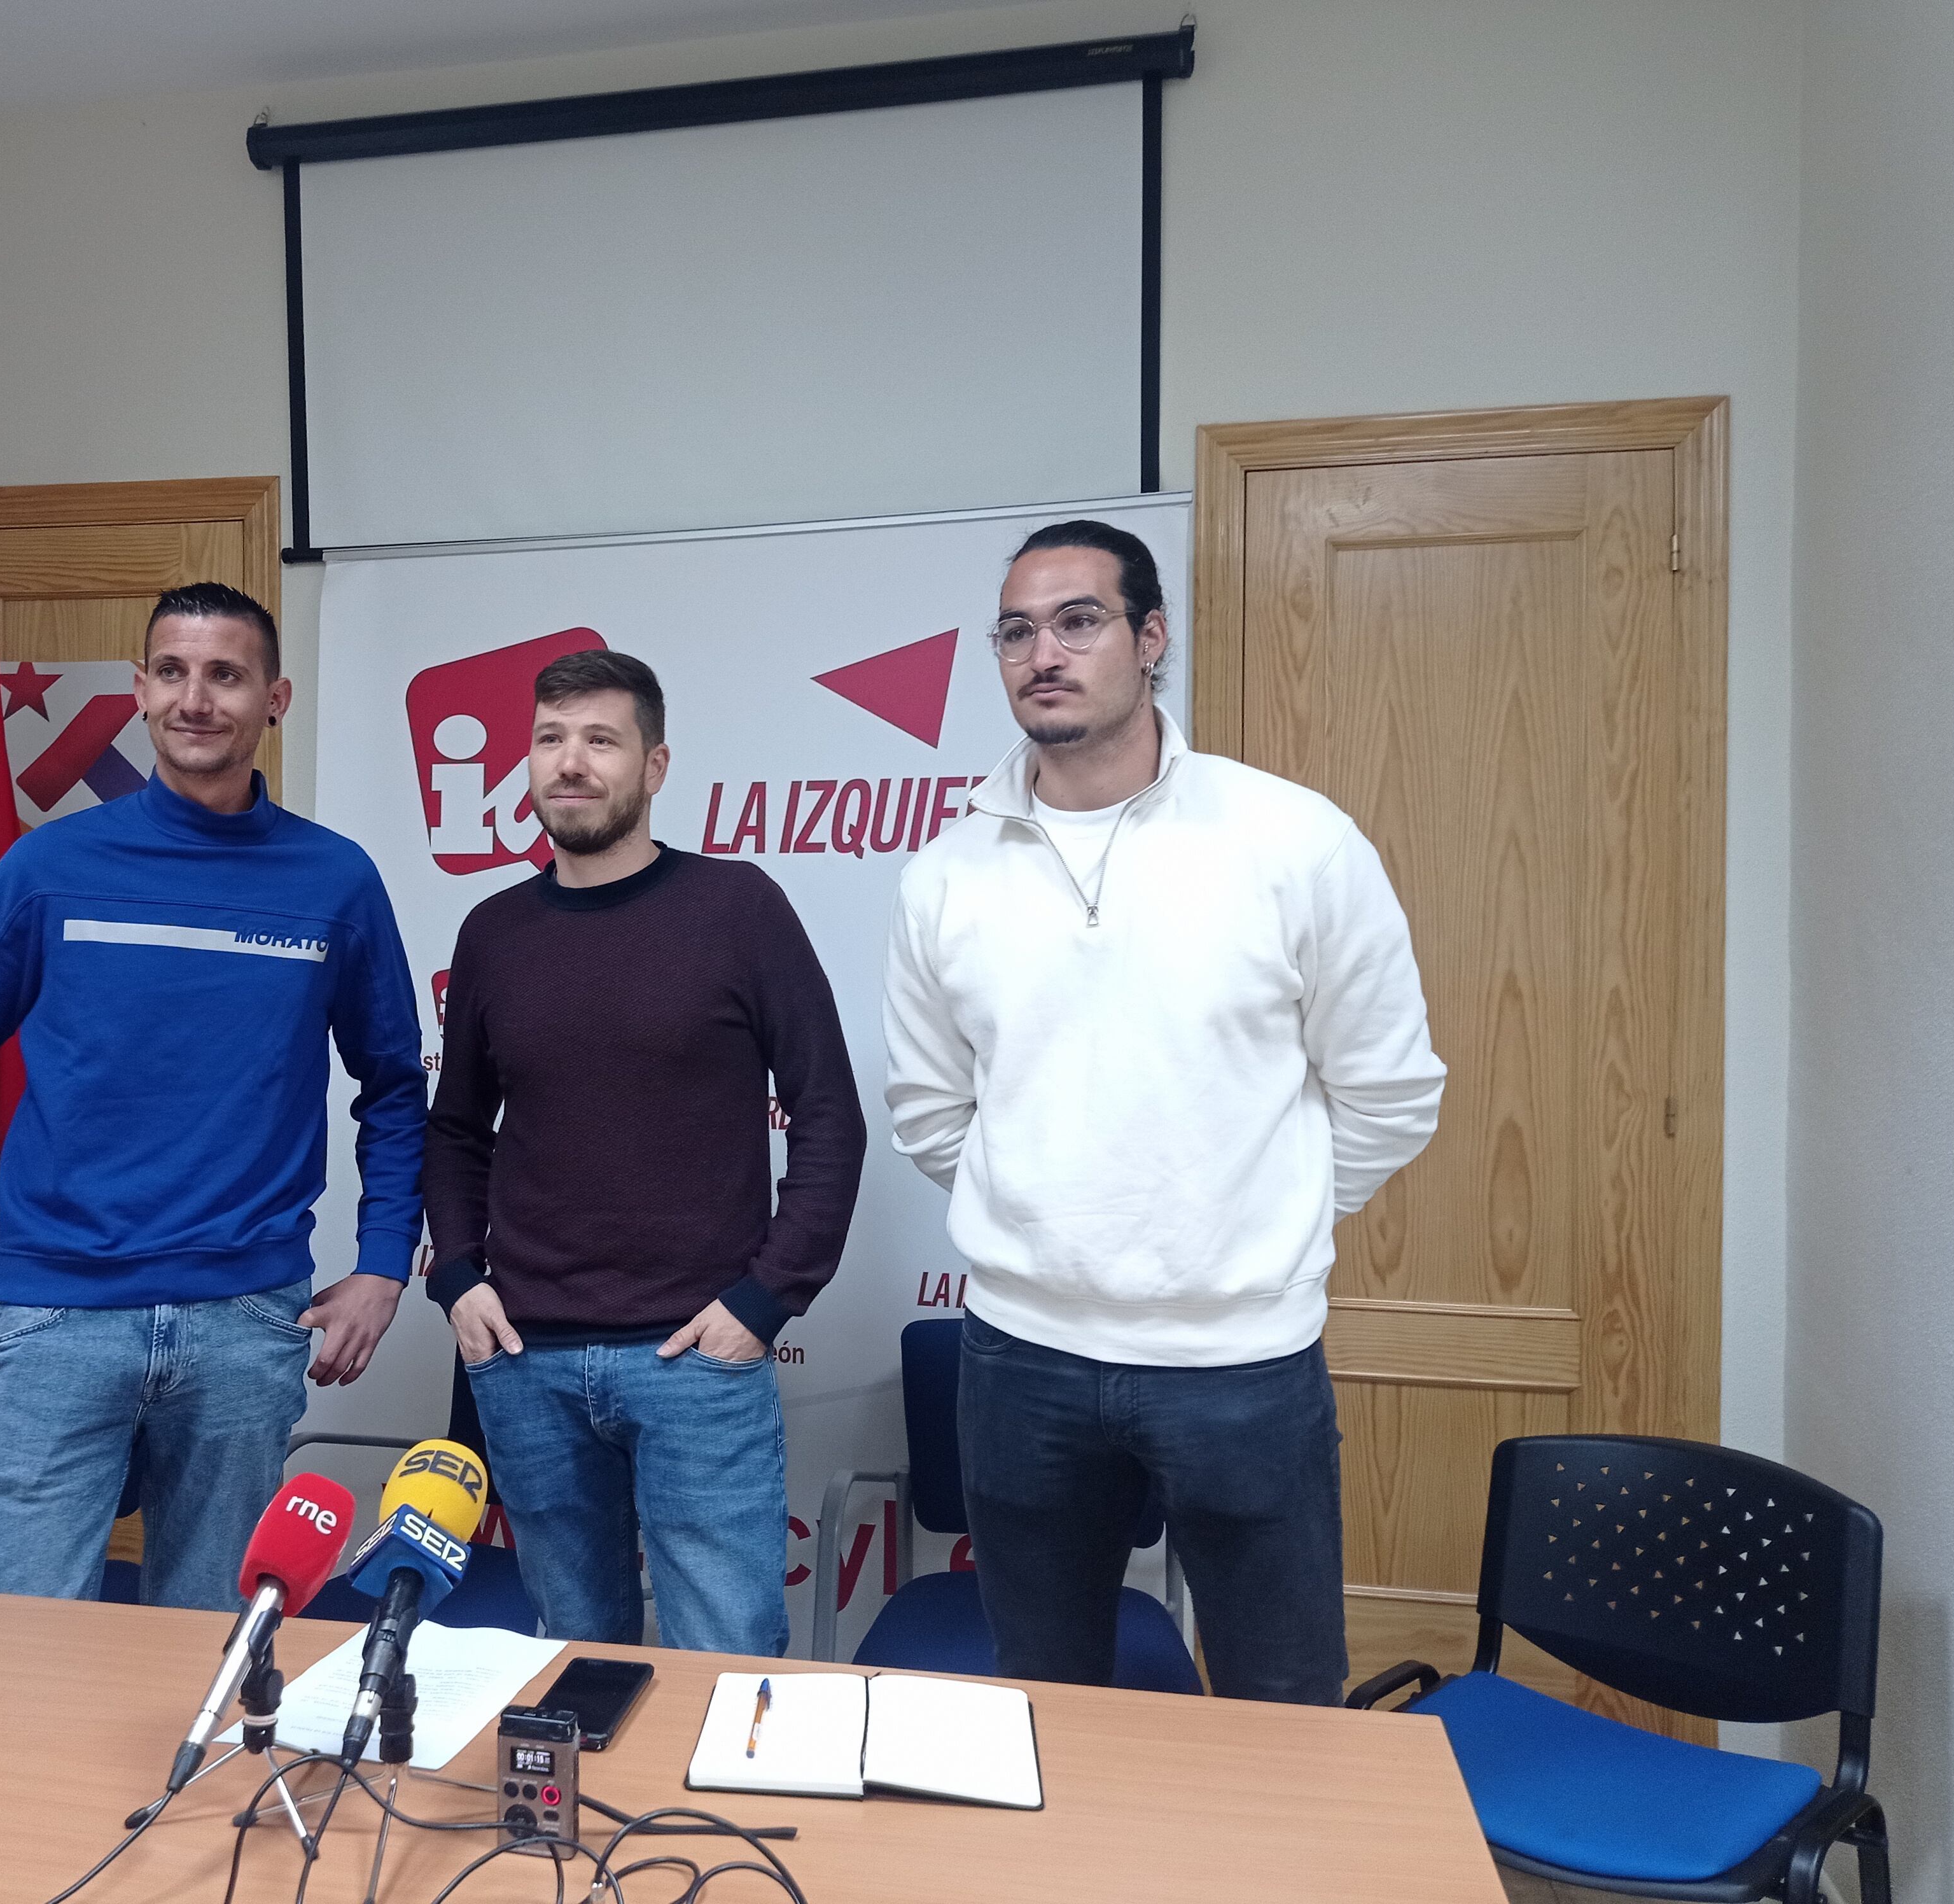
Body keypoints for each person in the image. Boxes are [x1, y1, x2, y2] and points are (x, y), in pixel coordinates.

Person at [881, 520, 1444, 1702]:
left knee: (1280, 1706)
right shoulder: (947, 875)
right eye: (1018, 630)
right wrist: (1052, 1218)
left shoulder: (1290, 840)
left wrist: (1250, 1218)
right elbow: (933, 1116)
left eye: (1079, 620)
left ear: (1151, 639)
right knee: (1045, 1706)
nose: (1046, 653)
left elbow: (1391, 1095)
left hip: (1240, 1363)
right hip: (1022, 1357)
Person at [0, 581, 426, 1611]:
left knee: (211, 1657)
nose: (195, 698)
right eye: (172, 672)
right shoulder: (52, 869)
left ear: (274, 698)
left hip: (247, 1323)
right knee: (2, 1655)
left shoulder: (334, 881)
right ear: (140, 689)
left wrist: (384, 1264)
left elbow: (393, 1088)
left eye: (225, 675)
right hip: (57, 1317)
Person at [422, 650, 863, 1655]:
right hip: (526, 1362)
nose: (569, 764)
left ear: (655, 766)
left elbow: (829, 1114)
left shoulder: (738, 909)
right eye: (549, 740)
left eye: (600, 741)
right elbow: (454, 1130)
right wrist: (455, 1276)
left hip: (695, 1362)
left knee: (728, 1653)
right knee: (573, 1660)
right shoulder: (495, 931)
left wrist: (766, 1301)